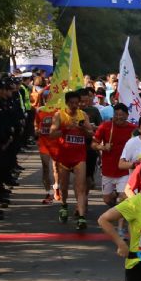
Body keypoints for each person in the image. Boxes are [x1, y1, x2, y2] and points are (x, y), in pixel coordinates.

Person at [47, 89, 94, 229]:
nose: (74, 105)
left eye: (76, 103)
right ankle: (64, 205)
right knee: (64, 186)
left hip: (79, 156)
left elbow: (91, 133)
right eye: (71, 103)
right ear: (66, 103)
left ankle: (81, 217)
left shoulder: (83, 115)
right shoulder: (59, 115)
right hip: (64, 156)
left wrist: (83, 129)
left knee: (80, 187)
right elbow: (51, 134)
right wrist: (65, 129)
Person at [94, 101, 138, 209]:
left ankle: (119, 215)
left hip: (124, 170)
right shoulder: (105, 126)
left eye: (121, 115)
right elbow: (93, 144)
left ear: (127, 115)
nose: (118, 117)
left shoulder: (134, 129)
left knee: (123, 197)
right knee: (107, 199)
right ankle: (115, 197)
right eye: (116, 114)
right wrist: (103, 147)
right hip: (108, 169)